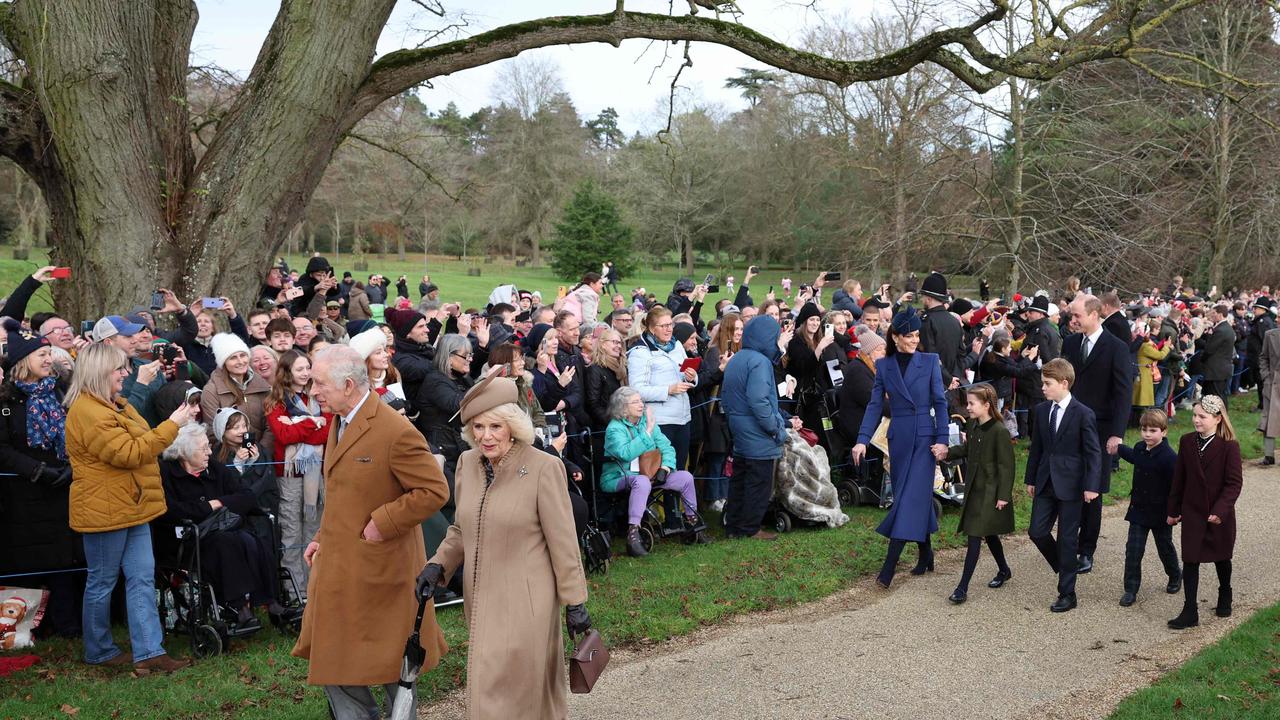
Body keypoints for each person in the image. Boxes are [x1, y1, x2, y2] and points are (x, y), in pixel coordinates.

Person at [417, 376, 590, 720]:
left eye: (495, 426)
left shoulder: (544, 467)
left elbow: (564, 542)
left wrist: (575, 602)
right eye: (478, 426)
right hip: (482, 601)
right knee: (492, 691)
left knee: (516, 695)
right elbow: (460, 527)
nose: (486, 436)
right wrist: (437, 564)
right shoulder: (467, 464)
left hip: (527, 603)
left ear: (513, 426)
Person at [292, 346, 449, 719]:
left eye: (319, 383)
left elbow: (434, 490)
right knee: (335, 662)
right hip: (340, 571)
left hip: (383, 577)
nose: (313, 391)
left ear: (348, 385)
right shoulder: (339, 420)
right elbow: (347, 493)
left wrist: (385, 523)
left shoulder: (394, 429)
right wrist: (322, 537)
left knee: (394, 668)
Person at [65, 342, 196, 672]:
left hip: (134, 505)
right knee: (102, 583)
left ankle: (150, 652)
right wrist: (174, 423)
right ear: (100, 373)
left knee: (141, 579)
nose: (126, 373)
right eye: (119, 369)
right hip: (105, 511)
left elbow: (144, 441)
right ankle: (99, 651)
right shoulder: (88, 412)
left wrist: (166, 429)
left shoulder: (117, 405)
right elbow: (131, 453)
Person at [159, 423, 292, 629]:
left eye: (208, 447)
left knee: (253, 538)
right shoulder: (167, 473)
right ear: (184, 453)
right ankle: (239, 608)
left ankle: (271, 601)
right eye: (203, 448)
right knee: (229, 542)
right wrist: (208, 506)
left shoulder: (215, 468)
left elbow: (246, 496)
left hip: (222, 531)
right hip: (187, 541)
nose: (209, 452)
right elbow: (172, 510)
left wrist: (218, 503)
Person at [852, 308, 948, 588]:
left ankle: (888, 568)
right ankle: (926, 552)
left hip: (924, 438)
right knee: (912, 496)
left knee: (907, 500)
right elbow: (873, 405)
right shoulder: (884, 366)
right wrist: (862, 439)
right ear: (895, 337)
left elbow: (940, 403)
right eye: (909, 336)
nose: (915, 340)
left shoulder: (930, 362)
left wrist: (942, 439)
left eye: (917, 335)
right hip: (898, 439)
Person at [0, 319, 82, 637]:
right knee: (28, 563)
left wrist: (69, 466)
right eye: (41, 354)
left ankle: (68, 627)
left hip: (61, 489)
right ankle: (22, 631)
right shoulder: (7, 400)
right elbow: (3, 448)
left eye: (49, 353)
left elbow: (74, 433)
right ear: (23, 361)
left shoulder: (58, 393)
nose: (49, 359)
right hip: (23, 495)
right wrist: (36, 470)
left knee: (64, 561)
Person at [1061, 294, 1132, 575]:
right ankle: (1067, 539)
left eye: (1077, 316)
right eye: (1071, 316)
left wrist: (1117, 433)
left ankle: (1085, 549)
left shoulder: (1115, 347)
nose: (1073, 321)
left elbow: (1123, 393)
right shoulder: (1069, 343)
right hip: (1069, 427)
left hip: (1101, 430)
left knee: (1092, 490)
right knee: (1067, 482)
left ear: (1094, 314)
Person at [1024, 359, 1101, 613]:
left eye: (1047, 383)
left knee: (1068, 539)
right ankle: (1065, 565)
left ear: (1064, 383)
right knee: (1037, 531)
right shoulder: (1042, 410)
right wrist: (1031, 478)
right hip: (1046, 481)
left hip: (1073, 484)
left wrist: (1092, 485)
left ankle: (1067, 592)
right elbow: (1037, 448)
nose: (1043, 388)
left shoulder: (1083, 413)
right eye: (1042, 383)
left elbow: (1093, 453)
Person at [602, 387, 708, 556]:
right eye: (635, 402)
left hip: (649, 474)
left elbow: (667, 448)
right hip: (619, 476)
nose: (641, 405)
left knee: (686, 477)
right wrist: (648, 432)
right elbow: (625, 454)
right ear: (623, 407)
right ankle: (633, 534)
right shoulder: (615, 428)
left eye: (641, 401)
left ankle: (693, 524)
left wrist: (665, 468)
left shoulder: (645, 421)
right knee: (642, 481)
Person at [1166, 395, 1242, 630]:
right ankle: (1190, 610)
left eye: (1202, 416)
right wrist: (1173, 509)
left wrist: (1220, 509)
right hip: (1193, 511)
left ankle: (1225, 592)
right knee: (1190, 559)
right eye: (1194, 415)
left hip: (1219, 514)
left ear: (1217, 419)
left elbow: (1233, 483)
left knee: (1222, 556)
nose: (1196, 420)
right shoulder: (1187, 441)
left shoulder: (1229, 446)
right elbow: (1179, 478)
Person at [721, 315, 795, 540]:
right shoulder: (760, 362)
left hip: (739, 427)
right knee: (758, 483)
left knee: (740, 479)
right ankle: (750, 528)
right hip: (757, 432)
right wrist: (775, 428)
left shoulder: (738, 358)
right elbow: (759, 400)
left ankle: (733, 525)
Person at [940, 384, 1014, 605]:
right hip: (974, 489)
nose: (968, 407)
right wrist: (946, 453)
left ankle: (962, 588)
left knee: (975, 536)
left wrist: (1003, 495)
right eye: (967, 403)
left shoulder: (1000, 431)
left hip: (990, 492)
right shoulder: (972, 425)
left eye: (972, 403)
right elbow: (967, 450)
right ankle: (1004, 569)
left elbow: (1007, 467)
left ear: (986, 405)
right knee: (988, 534)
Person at [264, 350, 331, 593]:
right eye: (299, 369)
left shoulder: (320, 396)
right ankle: (294, 590)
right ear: (287, 372)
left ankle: (314, 585)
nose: (305, 374)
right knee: (291, 531)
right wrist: (313, 422)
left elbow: (329, 430)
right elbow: (283, 435)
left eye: (307, 368)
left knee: (314, 530)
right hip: (290, 475)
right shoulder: (276, 402)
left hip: (317, 473)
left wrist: (299, 424)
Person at [1113, 409, 1181, 608]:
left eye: (1153, 430)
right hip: (1139, 510)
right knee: (1133, 550)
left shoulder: (1170, 458)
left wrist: (1175, 513)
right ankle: (1130, 589)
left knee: (1164, 547)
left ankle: (1175, 575)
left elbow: (1177, 488)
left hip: (1161, 513)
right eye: (1144, 430)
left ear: (1164, 432)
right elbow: (1135, 457)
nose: (1147, 434)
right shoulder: (1140, 448)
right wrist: (1118, 448)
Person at [627, 306, 698, 471]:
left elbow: (687, 376)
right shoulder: (640, 352)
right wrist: (668, 390)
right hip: (660, 421)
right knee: (660, 471)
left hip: (683, 417)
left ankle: (674, 498)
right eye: (663, 326)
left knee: (680, 468)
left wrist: (691, 376)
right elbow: (636, 389)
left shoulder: (677, 346)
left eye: (670, 325)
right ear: (652, 328)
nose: (669, 329)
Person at [201, 333, 274, 458]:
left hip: (262, 456)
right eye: (233, 358)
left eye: (243, 355)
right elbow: (214, 432)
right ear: (223, 362)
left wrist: (260, 453)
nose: (240, 361)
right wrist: (238, 456)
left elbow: (271, 425)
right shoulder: (211, 391)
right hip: (230, 458)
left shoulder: (262, 385)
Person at [416, 334, 476, 475]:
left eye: (470, 355)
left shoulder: (463, 379)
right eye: (466, 356)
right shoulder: (435, 381)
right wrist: (485, 380)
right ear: (449, 357)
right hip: (445, 449)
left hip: (458, 444)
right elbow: (460, 405)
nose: (470, 359)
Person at [701, 314, 742, 512]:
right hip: (716, 412)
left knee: (730, 457)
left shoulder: (740, 350)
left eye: (742, 329)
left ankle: (725, 495)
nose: (739, 333)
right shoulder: (714, 351)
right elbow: (711, 380)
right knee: (717, 456)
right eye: (736, 329)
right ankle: (712, 496)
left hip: (733, 411)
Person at [1194, 304, 1235, 408]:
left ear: (1220, 314)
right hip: (1220, 368)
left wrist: (1202, 357)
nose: (1212, 315)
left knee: (1217, 396)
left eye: (1214, 313)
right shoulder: (1225, 328)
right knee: (1216, 395)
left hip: (1216, 369)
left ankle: (1220, 417)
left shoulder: (1221, 330)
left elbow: (1209, 349)